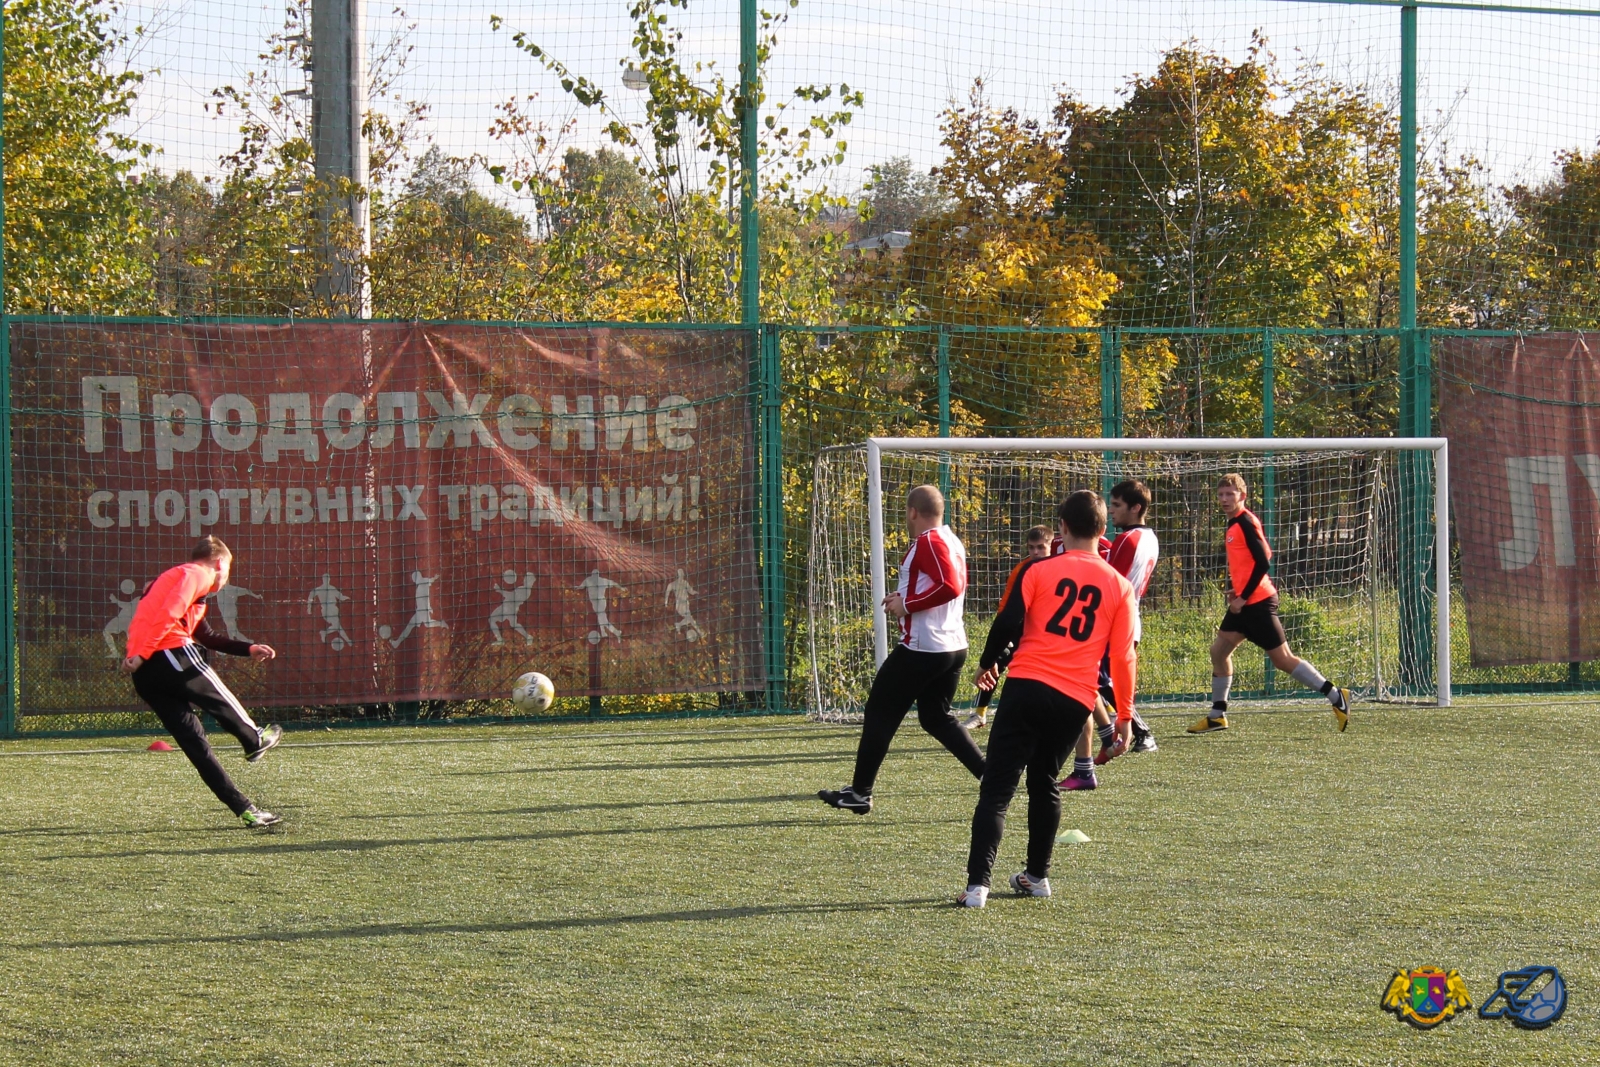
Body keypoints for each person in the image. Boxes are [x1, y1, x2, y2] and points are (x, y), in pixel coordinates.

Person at [957, 490, 1138, 907]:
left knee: (998, 788)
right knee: (1044, 785)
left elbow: (1008, 622)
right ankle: (1037, 877)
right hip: (1074, 700)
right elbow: (1124, 656)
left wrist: (988, 664)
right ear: (1103, 529)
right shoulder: (1119, 585)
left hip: (1027, 685)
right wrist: (1124, 716)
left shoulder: (1038, 570)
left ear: (1061, 527)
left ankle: (977, 887)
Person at [819, 485, 985, 814]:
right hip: (952, 644)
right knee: (936, 718)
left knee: (880, 711)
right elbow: (944, 584)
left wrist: (906, 604)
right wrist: (905, 600)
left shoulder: (929, 541)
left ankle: (860, 793)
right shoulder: (951, 539)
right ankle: (991, 775)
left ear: (912, 512)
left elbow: (951, 586)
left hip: (925, 647)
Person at [121, 536, 285, 828]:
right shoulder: (196, 573)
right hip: (167, 655)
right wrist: (143, 653)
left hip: (145, 674)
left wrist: (249, 649)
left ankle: (244, 809)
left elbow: (207, 636)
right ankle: (254, 738)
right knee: (219, 699)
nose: (225, 578)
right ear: (219, 563)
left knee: (195, 744)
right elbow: (169, 611)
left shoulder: (178, 587)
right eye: (228, 570)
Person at [1188, 473, 1351, 734]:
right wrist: (1238, 590)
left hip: (1258, 603)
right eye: (1221, 494)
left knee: (1283, 660)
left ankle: (1335, 695)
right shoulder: (1234, 524)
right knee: (1218, 651)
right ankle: (1217, 715)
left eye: (1230, 494)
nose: (1224, 499)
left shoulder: (1244, 522)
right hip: (1244, 602)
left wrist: (1243, 596)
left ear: (1242, 496)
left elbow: (1264, 561)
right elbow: (1254, 560)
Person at [1061, 479, 1161, 790]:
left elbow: (1107, 580)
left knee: (1096, 680)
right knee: (1093, 680)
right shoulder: (1149, 537)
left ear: (1136, 508)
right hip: (1129, 615)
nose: (1112, 511)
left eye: (1117, 505)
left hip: (1114, 619)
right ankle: (1106, 742)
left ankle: (1134, 733)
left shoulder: (1127, 541)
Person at [962, 525, 1053, 730]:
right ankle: (979, 713)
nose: (1036, 552)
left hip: (1048, 631)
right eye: (1031, 548)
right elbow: (1007, 607)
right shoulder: (1022, 569)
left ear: (1051, 545)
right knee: (998, 658)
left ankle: (1108, 714)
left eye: (1040, 547)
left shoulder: (1059, 567)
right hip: (1021, 627)